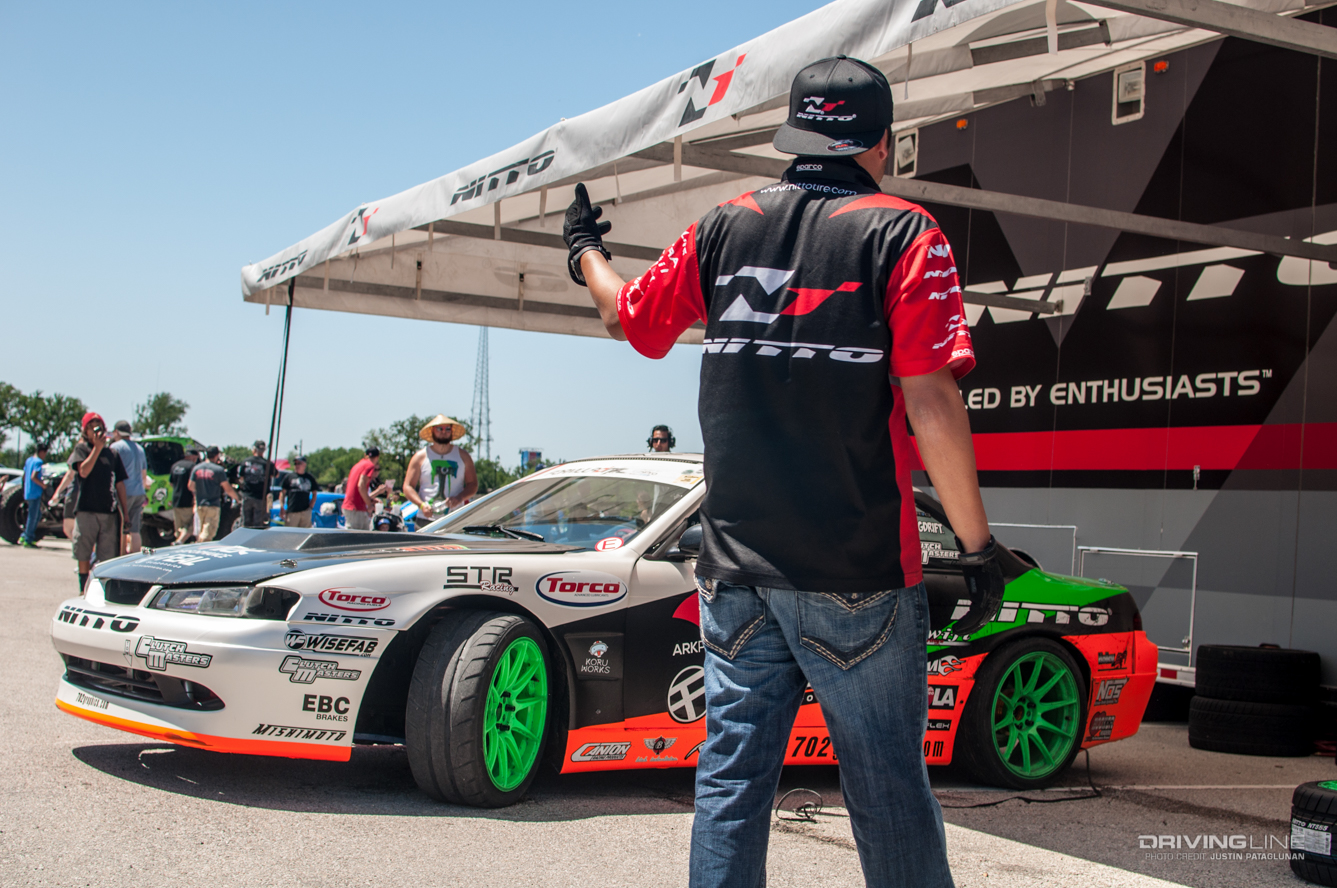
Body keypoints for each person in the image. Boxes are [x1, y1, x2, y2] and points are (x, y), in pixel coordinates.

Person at [563, 56, 1006, 888]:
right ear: (881, 142)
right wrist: (977, 547)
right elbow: (931, 401)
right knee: (884, 789)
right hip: (859, 569)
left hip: (735, 570)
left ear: (795, 133)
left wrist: (585, 248)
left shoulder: (723, 225)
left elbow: (629, 316)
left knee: (731, 784)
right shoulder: (905, 233)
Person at [69, 412, 130, 592]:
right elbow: (84, 472)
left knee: (107, 555)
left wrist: (125, 512)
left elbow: (120, 484)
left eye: (99, 426)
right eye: (92, 426)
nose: (96, 430)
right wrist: (96, 448)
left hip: (108, 510)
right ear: (85, 430)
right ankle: (82, 588)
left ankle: (103, 589)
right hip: (86, 509)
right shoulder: (82, 450)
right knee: (84, 552)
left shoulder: (112, 453)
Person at [403, 415, 478, 521]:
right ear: (432, 431)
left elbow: (473, 484)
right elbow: (408, 487)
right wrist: (422, 505)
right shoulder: (420, 456)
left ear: (452, 431)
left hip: (454, 518)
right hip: (425, 518)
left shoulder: (463, 456)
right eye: (439, 429)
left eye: (448, 429)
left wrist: (460, 498)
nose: (444, 432)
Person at [110, 420, 151, 554]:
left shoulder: (116, 447)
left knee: (121, 527)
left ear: (116, 432)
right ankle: (134, 557)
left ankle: (121, 557)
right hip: (139, 491)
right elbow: (144, 473)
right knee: (135, 529)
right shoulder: (140, 449)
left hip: (123, 492)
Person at [189, 446, 240, 542]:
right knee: (208, 534)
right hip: (212, 505)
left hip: (199, 504)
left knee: (200, 531)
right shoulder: (218, 470)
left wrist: (199, 492)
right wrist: (237, 498)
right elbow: (227, 489)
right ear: (217, 455)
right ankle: (201, 550)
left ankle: (198, 548)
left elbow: (191, 486)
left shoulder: (197, 468)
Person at [342, 446, 383, 530]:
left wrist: (368, 499)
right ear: (377, 457)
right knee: (356, 539)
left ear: (365, 455)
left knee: (364, 535)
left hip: (351, 506)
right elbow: (361, 485)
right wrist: (369, 504)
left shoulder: (358, 465)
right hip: (356, 508)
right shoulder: (370, 465)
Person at [237, 440, 275, 529]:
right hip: (260, 497)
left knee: (245, 523)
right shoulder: (267, 464)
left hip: (247, 496)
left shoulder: (246, 462)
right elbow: (275, 474)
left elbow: (241, 477)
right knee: (257, 524)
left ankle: (244, 541)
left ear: (254, 449)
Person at [20, 441, 49, 548]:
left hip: (28, 491)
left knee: (36, 515)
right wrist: (43, 485)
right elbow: (33, 476)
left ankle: (25, 535)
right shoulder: (38, 462)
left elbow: (24, 476)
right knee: (33, 516)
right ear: (41, 452)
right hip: (35, 492)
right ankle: (28, 538)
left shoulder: (29, 460)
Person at [169, 447, 200, 543]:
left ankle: (179, 544)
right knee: (190, 526)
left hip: (176, 500)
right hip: (187, 500)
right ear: (194, 457)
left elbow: (171, 483)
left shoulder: (175, 466)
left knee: (179, 528)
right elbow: (194, 484)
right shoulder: (193, 467)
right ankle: (179, 542)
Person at [280, 455, 318, 528]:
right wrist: (282, 507)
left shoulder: (309, 478)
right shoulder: (289, 477)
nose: (297, 465)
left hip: (305, 511)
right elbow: (282, 493)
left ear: (304, 464)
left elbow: (314, 494)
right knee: (290, 535)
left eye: (299, 463)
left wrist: (310, 507)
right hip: (292, 511)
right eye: (295, 464)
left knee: (305, 534)